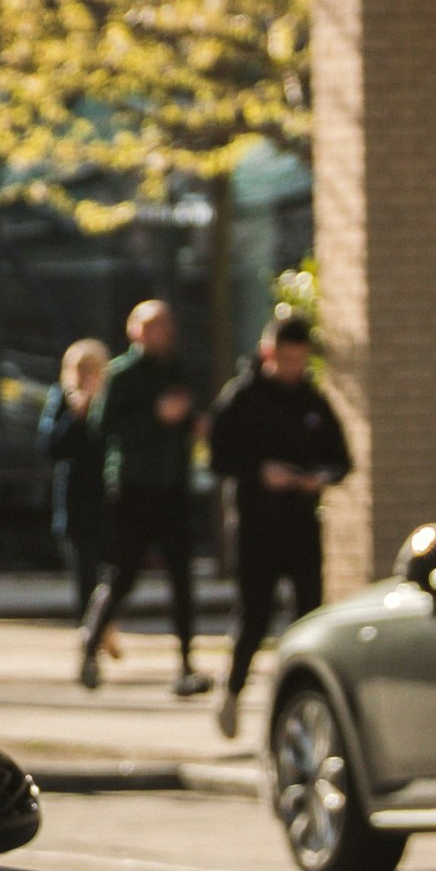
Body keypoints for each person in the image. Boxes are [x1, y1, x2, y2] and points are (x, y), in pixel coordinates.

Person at [207, 312, 353, 740]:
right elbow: (218, 458)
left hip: (302, 526)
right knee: (254, 615)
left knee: (309, 617)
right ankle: (233, 691)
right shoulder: (242, 399)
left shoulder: (313, 400)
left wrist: (320, 478)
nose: (293, 367)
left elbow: (342, 459)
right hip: (256, 524)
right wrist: (259, 472)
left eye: (300, 359)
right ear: (269, 352)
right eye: (286, 358)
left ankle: (301, 705)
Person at [77, 295, 205, 692]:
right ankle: (90, 646)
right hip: (133, 486)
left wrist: (190, 424)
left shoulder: (178, 370)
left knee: (182, 576)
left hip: (173, 485)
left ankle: (186, 663)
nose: (166, 335)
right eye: (157, 328)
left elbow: (184, 420)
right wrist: (154, 415)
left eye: (169, 327)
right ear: (137, 332)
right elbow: (103, 426)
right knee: (123, 574)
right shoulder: (122, 374)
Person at [41, 339, 112, 627]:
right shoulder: (62, 398)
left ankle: (105, 623)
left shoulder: (112, 399)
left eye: (91, 370)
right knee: (84, 573)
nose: (85, 377)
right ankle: (91, 631)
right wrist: (75, 416)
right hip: (76, 500)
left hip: (109, 496)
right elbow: (49, 447)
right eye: (79, 370)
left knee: (112, 571)